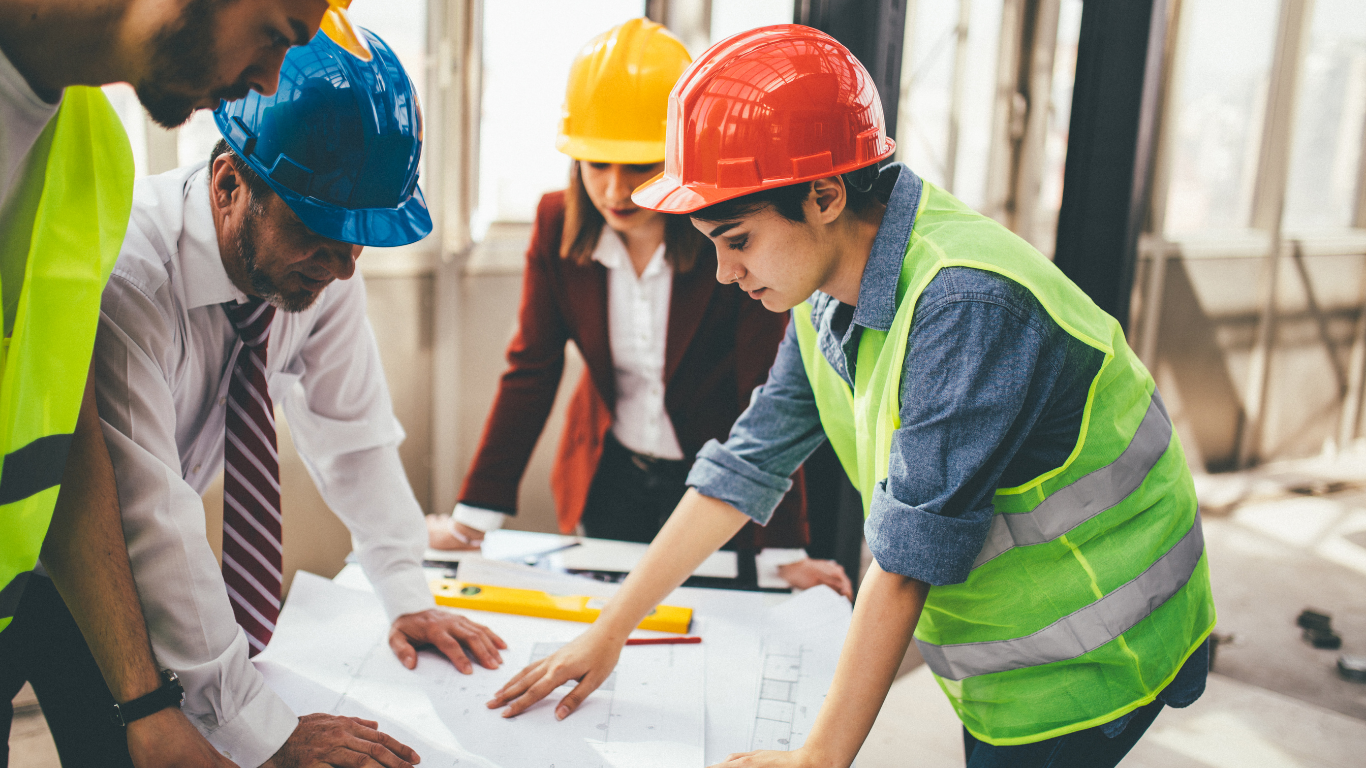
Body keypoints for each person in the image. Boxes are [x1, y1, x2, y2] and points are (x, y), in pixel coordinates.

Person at [485, 24, 1217, 768]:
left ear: (827, 194)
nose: (723, 273)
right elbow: (747, 465)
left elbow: (903, 564)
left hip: (1095, 652)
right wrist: (609, 629)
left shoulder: (964, 305)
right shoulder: (824, 290)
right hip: (1013, 644)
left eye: (736, 240)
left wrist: (817, 759)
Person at [88, 27, 508, 768]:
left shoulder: (316, 273)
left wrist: (406, 589)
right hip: (73, 569)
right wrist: (268, 730)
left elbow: (354, 435)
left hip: (148, 549)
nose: (345, 269)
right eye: (322, 232)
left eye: (361, 242)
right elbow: (154, 518)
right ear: (229, 185)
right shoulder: (131, 280)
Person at [0, 1, 363, 766]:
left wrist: (148, 703)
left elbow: (72, 440)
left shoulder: (89, 151)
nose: (264, 80)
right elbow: (155, 510)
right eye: (277, 33)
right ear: (230, 187)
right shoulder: (140, 257)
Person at [427, 18, 850, 596]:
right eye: (598, 164)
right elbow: (531, 370)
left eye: (638, 165)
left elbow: (768, 390)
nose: (614, 189)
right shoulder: (555, 225)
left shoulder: (729, 239)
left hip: (714, 479)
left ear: (677, 157)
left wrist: (785, 553)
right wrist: (473, 519)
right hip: (607, 473)